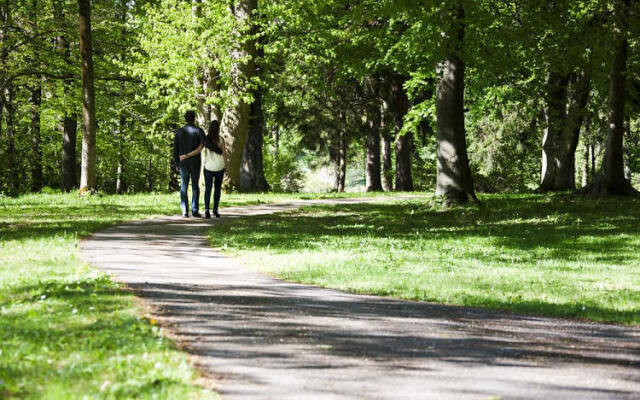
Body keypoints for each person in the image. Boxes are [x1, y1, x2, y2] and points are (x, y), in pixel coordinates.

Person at [173, 110, 205, 218]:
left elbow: (175, 149)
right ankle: (195, 210)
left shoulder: (179, 132)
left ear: (185, 118)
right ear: (194, 118)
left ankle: (184, 211)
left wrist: (176, 163)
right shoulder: (199, 130)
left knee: (184, 186)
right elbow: (203, 145)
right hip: (195, 162)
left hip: (183, 162)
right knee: (195, 186)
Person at [202, 120, 226, 218]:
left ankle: (207, 209)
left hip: (208, 167)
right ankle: (215, 210)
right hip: (219, 166)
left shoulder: (206, 139)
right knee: (217, 189)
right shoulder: (221, 139)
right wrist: (226, 166)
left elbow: (200, 148)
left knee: (208, 189)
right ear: (218, 128)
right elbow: (224, 153)